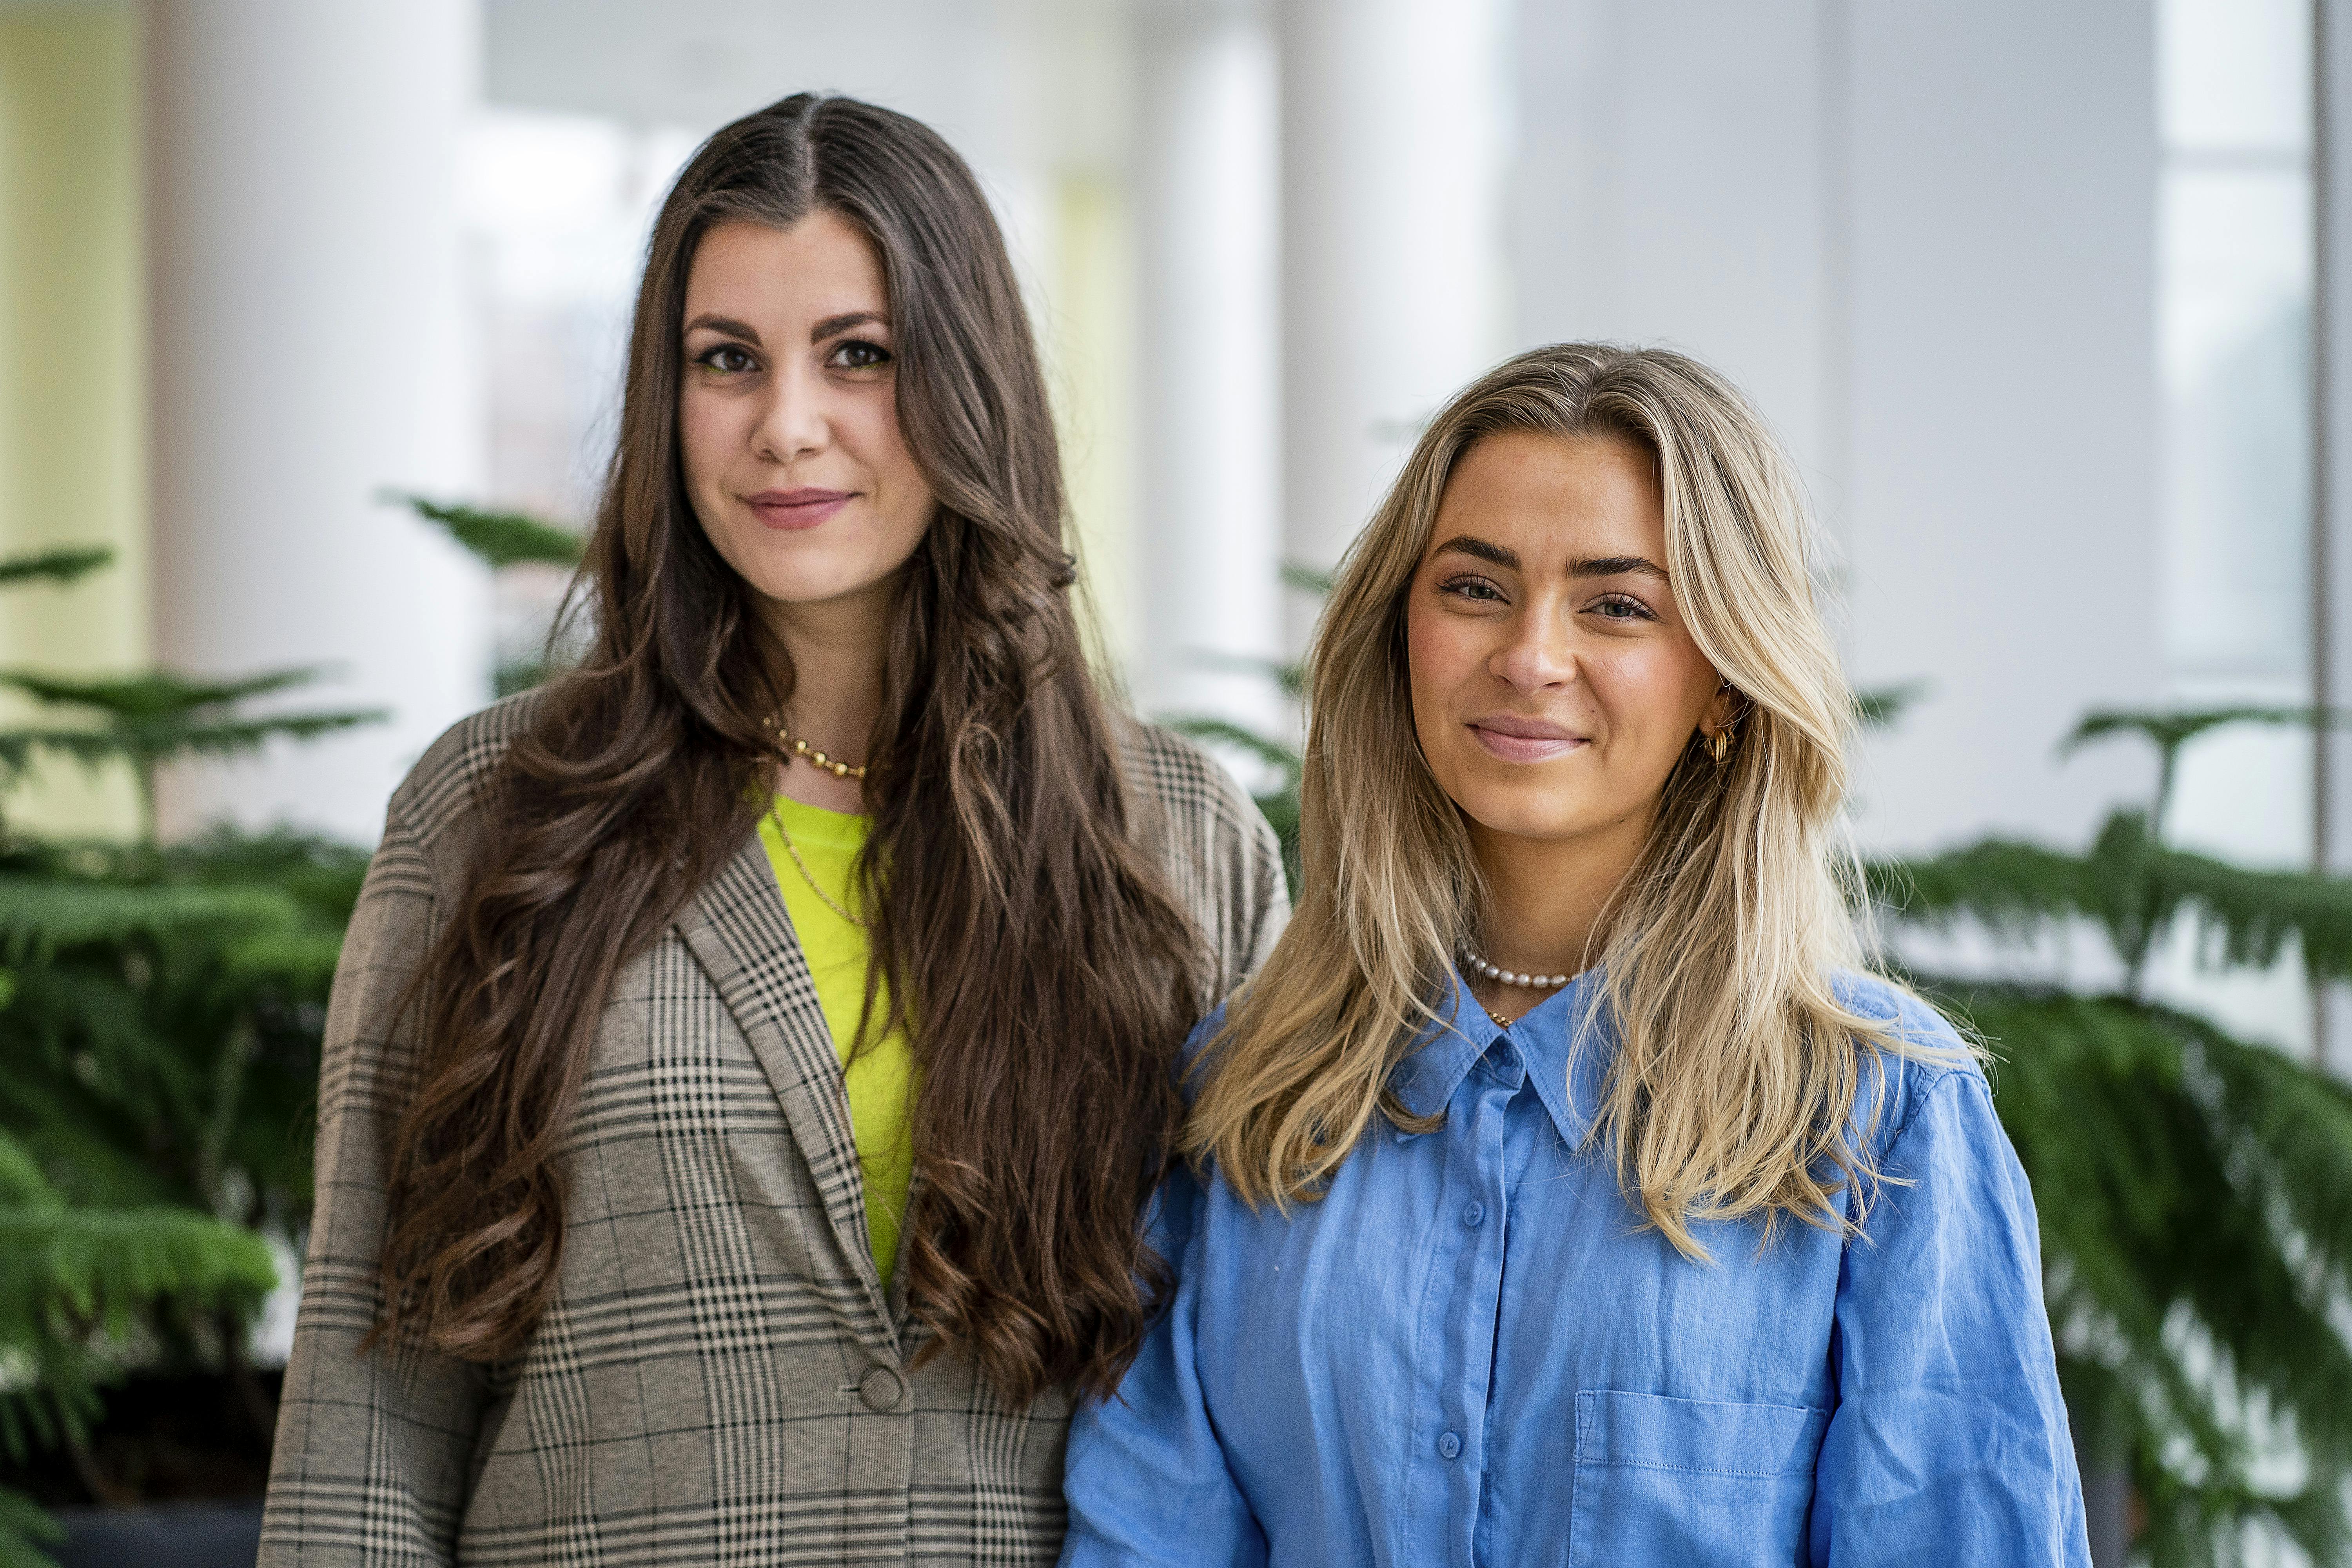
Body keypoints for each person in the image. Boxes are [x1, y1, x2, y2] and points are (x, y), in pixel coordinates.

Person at [260, 94, 1286, 1565]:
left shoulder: (1180, 839)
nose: (786, 426)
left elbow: (1261, 1393)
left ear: (969, 386)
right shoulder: (491, 813)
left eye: (858, 356)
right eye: (725, 360)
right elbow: (370, 1407)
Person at [1059, 344, 2090, 1567]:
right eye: (1476, 589)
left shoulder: (1884, 1120)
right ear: (1400, 639)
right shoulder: (1247, 1095)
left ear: (1726, 684)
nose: (1531, 657)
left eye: (1618, 605)